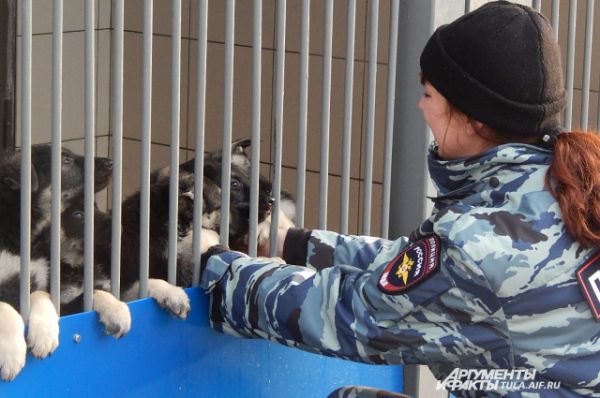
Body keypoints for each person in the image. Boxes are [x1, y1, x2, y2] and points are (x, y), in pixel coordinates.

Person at [199, 1, 600, 397]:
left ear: (474, 118)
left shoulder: (483, 242)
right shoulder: (564, 185)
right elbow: (412, 269)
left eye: (429, 93)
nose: (420, 106)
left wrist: (211, 265)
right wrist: (295, 244)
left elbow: (353, 316)